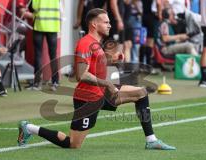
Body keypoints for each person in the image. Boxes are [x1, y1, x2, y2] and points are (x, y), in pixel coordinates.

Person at [17, 8, 176, 150]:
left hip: (102, 93)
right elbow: (81, 75)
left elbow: (95, 63)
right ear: (94, 24)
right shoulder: (85, 43)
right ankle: (29, 128)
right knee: (73, 144)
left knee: (141, 93)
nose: (109, 25)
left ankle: (151, 140)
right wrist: (107, 82)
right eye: (106, 22)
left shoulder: (96, 43)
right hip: (87, 99)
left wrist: (112, 59)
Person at [26, 0, 61, 91]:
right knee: (53, 56)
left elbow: (31, 8)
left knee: (38, 55)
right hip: (53, 26)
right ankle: (55, 82)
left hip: (39, 26)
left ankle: (37, 83)